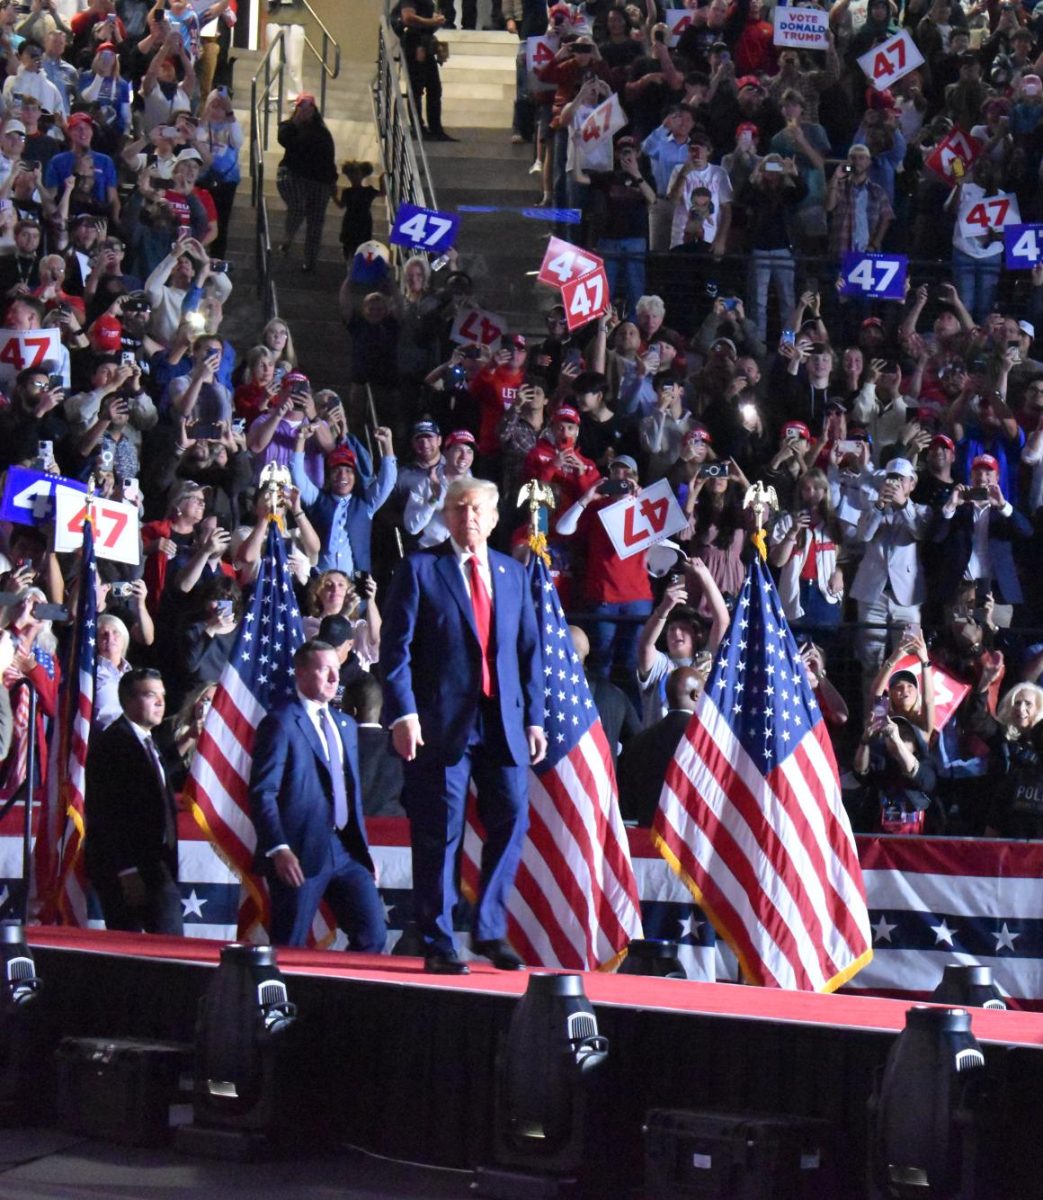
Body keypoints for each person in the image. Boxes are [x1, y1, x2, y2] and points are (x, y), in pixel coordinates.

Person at [380, 478, 546, 974]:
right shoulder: (419, 569)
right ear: (445, 517)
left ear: (494, 519)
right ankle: (438, 940)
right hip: (439, 723)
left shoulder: (513, 574)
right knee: (440, 831)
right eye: (457, 508)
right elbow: (396, 652)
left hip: (502, 721)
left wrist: (534, 718)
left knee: (513, 816)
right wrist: (403, 714)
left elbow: (528, 653)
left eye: (475, 509)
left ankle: (490, 928)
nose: (466, 516)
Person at [248, 640, 386, 951]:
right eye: (325, 670)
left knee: (373, 936)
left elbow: (350, 792)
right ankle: (283, 999)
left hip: (346, 850)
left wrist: (361, 848)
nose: (335, 679)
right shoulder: (281, 722)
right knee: (289, 944)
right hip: (299, 851)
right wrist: (278, 847)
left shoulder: (345, 724)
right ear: (300, 673)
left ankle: (340, 998)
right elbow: (262, 791)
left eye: (337, 670)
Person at [84, 667, 183, 935]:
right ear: (127, 700)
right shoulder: (114, 744)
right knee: (152, 953)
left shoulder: (148, 742)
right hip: (131, 871)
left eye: (162, 695)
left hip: (156, 865)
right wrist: (126, 870)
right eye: (151, 695)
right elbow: (106, 812)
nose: (161, 702)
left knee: (166, 950)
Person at [276, 94, 337, 274]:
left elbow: (328, 158)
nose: (306, 110)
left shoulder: (321, 132)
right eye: (302, 107)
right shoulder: (290, 127)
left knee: (315, 222)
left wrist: (332, 182)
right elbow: (284, 139)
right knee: (298, 207)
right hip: (295, 175)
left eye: (310, 107)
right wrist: (296, 120)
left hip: (320, 181)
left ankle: (310, 261)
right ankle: (288, 238)